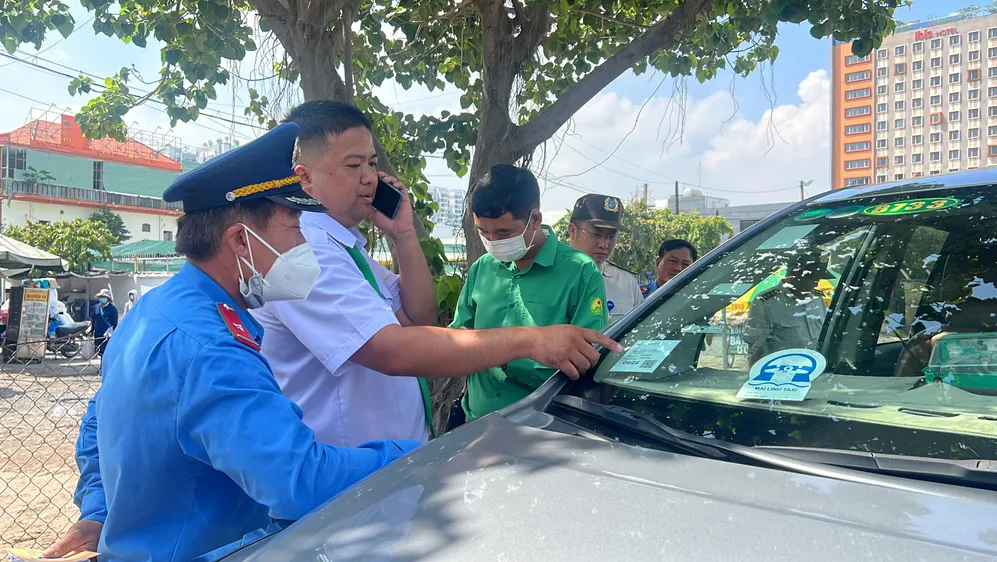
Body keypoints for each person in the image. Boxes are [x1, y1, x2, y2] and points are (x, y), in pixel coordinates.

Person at [44, 123, 419, 562]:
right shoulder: (212, 348)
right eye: (295, 227)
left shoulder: (155, 310)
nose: (305, 246)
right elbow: (298, 481)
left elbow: (96, 424)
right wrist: (415, 455)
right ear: (242, 240)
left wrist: (98, 510)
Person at [251, 100, 621, 446]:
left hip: (523, 431)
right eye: (354, 165)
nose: (370, 178)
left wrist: (404, 236)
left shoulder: (345, 249)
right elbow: (392, 351)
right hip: (349, 469)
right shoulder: (302, 252)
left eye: (371, 162)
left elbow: (418, 318)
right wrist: (531, 341)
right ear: (305, 178)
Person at [450, 164, 610, 422]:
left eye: (504, 233)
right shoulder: (483, 268)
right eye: (483, 232)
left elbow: (586, 361)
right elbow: (458, 336)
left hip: (542, 431)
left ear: (535, 219)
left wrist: (502, 353)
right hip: (474, 423)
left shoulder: (580, 271)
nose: (492, 241)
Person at [743, 247, 831, 365]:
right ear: (794, 273)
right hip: (782, 377)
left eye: (818, 279)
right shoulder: (766, 303)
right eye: (812, 278)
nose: (816, 284)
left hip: (817, 372)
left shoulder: (817, 299)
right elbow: (755, 350)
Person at [567, 194, 643, 324]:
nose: (604, 244)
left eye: (611, 237)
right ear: (573, 231)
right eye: (597, 234)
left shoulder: (626, 283)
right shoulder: (550, 277)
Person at [91, 289, 118, 356]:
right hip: (97, 333)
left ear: (108, 298)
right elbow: (93, 319)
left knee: (105, 351)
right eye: (101, 297)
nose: (102, 298)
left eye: (104, 297)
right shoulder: (96, 307)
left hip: (107, 334)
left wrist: (110, 332)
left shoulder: (112, 309)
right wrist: (91, 330)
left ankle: (103, 366)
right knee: (98, 350)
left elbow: (114, 323)